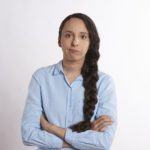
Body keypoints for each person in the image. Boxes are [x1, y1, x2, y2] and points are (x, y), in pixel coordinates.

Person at [21, 13, 117, 150]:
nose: (75, 42)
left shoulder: (104, 83)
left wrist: (50, 128)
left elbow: (104, 141)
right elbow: (28, 134)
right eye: (68, 35)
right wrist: (82, 140)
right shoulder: (41, 78)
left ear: (91, 42)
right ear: (59, 40)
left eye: (83, 36)